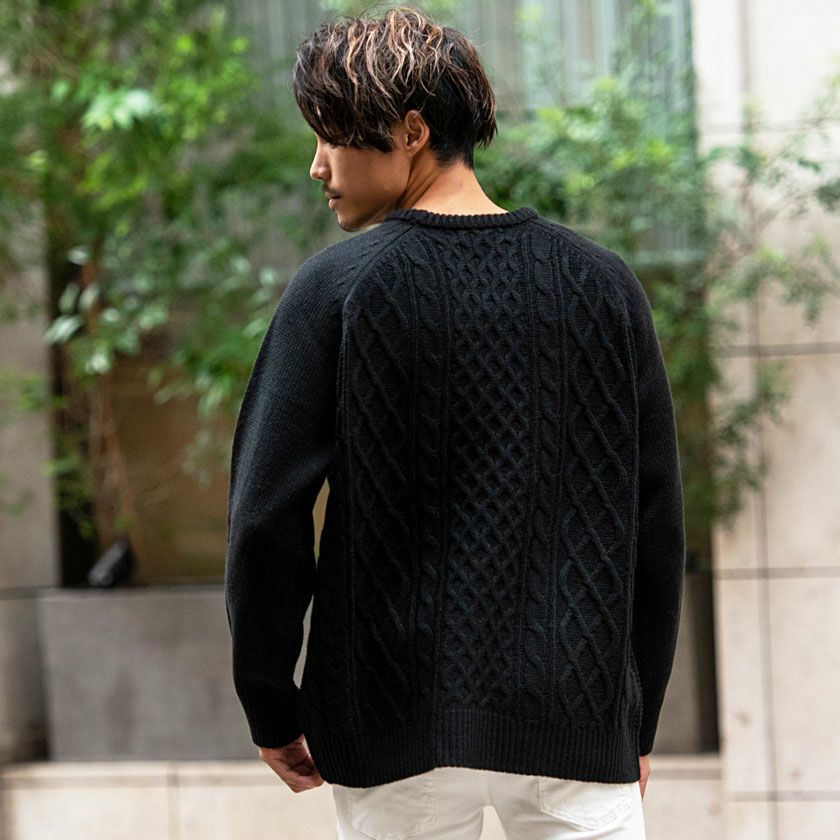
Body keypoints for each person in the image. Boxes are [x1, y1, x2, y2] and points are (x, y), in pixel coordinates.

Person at [223, 6, 686, 839]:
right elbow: (654, 521)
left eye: (331, 136)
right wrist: (636, 719)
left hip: (393, 722)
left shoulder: (338, 289)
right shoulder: (603, 286)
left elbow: (265, 517)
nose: (317, 165)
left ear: (411, 131)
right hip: (574, 721)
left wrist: (270, 702)